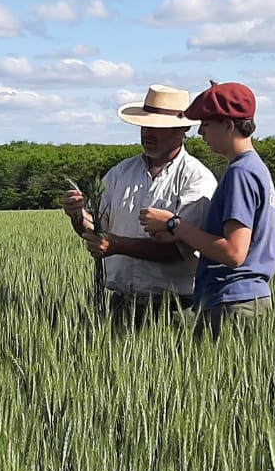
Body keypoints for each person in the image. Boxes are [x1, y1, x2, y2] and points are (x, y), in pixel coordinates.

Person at [61, 84, 217, 328]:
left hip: (176, 308)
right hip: (121, 305)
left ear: (183, 129)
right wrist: (77, 215)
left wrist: (117, 245)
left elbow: (182, 249)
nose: (148, 134)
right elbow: (95, 230)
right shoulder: (119, 173)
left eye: (158, 128)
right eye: (145, 126)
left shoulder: (196, 178)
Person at [139, 81, 275, 338]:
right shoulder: (256, 168)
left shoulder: (241, 174)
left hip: (233, 303)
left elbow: (234, 253)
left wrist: (174, 224)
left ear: (228, 125)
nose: (201, 132)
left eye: (206, 124)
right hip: (247, 299)